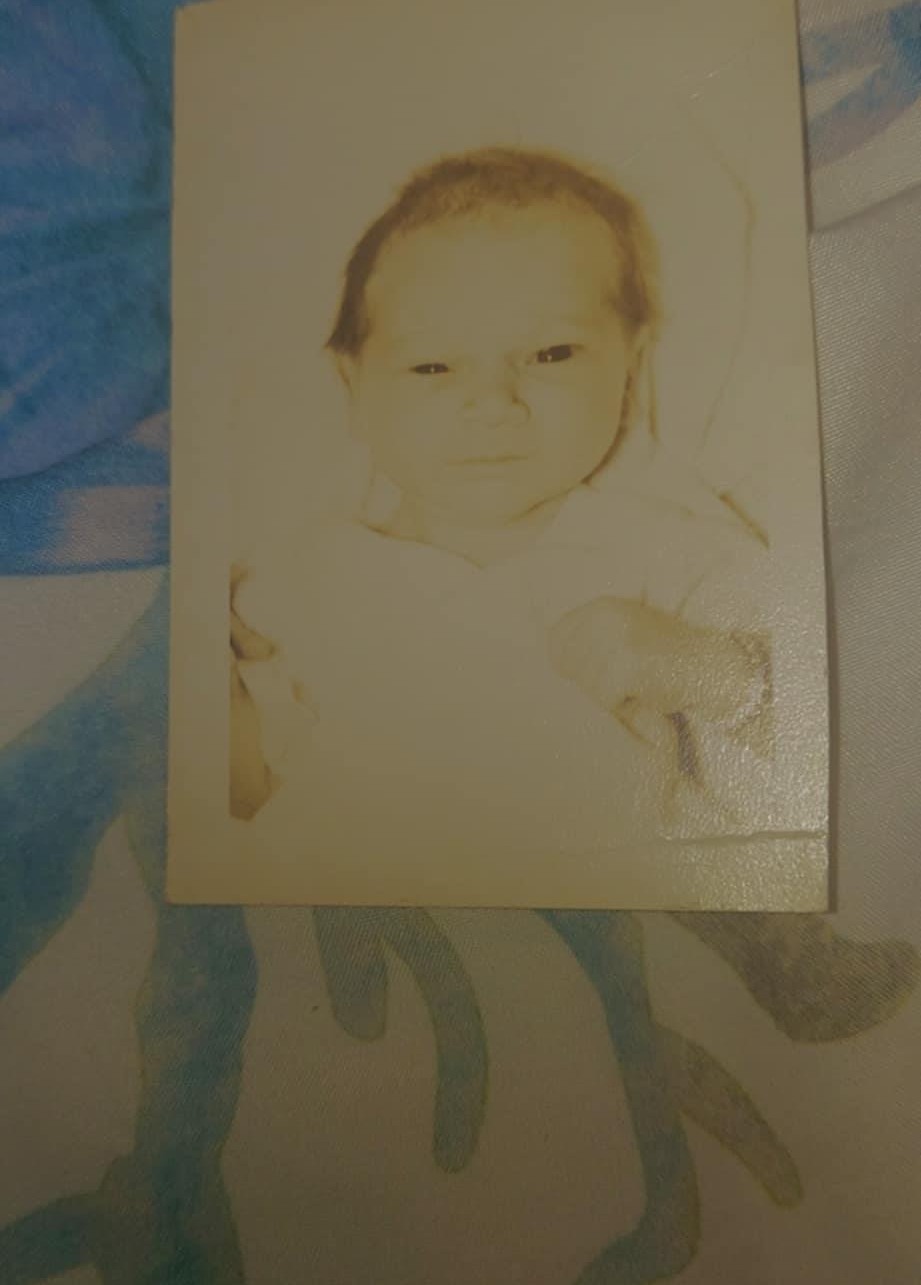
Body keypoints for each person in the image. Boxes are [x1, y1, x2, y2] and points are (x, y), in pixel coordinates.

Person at [230, 147, 772, 867]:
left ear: (631, 363)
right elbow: (243, 795)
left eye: (551, 354)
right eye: (432, 367)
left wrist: (705, 668)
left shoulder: (669, 557)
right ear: (351, 386)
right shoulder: (294, 578)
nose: (491, 403)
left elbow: (818, 733)